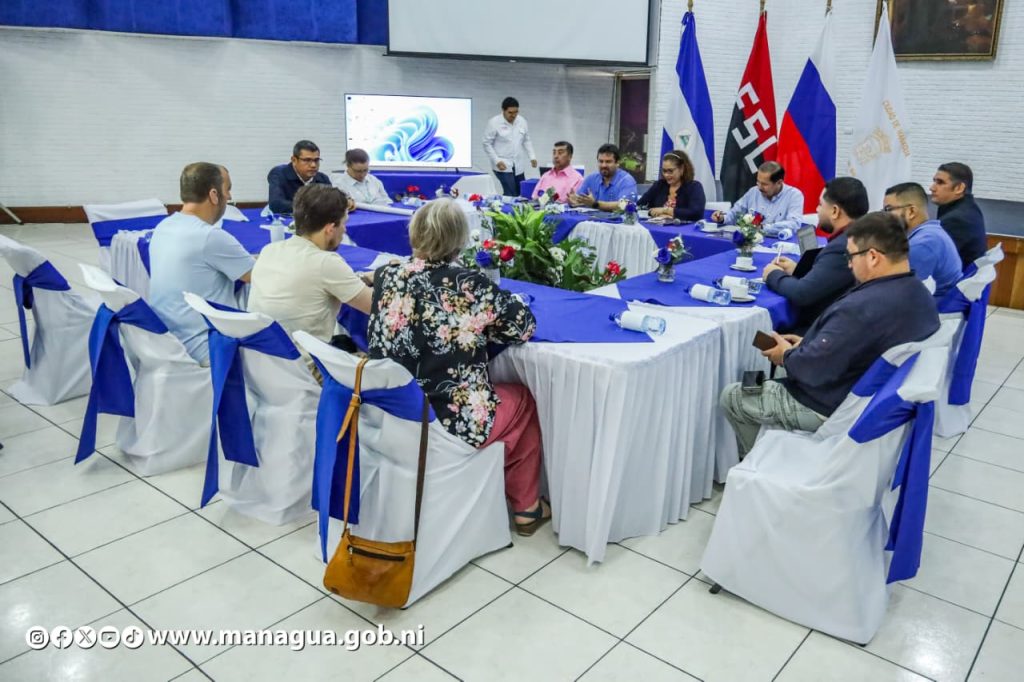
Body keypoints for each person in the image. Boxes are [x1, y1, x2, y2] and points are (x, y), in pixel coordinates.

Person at [367, 199, 550, 535]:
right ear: (459, 240)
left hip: (391, 414)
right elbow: (522, 327)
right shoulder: (468, 283)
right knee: (522, 399)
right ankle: (527, 508)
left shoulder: (385, 276)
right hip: (449, 422)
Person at [721, 211, 940, 456]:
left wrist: (785, 355)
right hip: (868, 395)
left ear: (873, 257)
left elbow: (813, 369)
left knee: (733, 397)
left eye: (851, 256)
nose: (849, 265)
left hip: (830, 405)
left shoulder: (862, 306)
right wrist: (807, 343)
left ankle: (761, 463)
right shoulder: (921, 295)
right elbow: (854, 343)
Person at [248, 184, 372, 365]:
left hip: (264, 363)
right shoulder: (326, 262)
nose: (345, 230)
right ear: (330, 228)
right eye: (344, 223)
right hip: (308, 369)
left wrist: (365, 277)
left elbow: (312, 282)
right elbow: (377, 307)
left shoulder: (269, 250)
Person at [149, 162, 254, 364]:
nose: (229, 196)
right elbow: (261, 276)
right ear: (214, 195)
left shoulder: (163, 226)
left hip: (167, 339)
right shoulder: (209, 236)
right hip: (206, 345)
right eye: (227, 189)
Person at [762, 176, 868, 333]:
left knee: (758, 337)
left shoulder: (843, 246)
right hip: (844, 323)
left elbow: (802, 294)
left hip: (820, 331)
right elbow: (833, 279)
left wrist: (773, 274)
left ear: (835, 211)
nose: (817, 210)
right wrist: (798, 270)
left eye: (820, 204)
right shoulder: (864, 235)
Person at [883, 182, 962, 297]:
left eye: (888, 209)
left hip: (936, 305)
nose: (884, 216)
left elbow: (902, 294)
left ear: (911, 211)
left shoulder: (923, 245)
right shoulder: (931, 232)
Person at [712, 161, 804, 233]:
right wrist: (722, 218)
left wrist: (764, 227)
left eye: (764, 184)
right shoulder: (753, 192)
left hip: (779, 245)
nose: (759, 187)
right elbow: (735, 213)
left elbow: (794, 224)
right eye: (758, 182)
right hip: (751, 243)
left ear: (779, 183)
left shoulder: (794, 196)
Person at [930, 162, 987, 268]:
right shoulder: (968, 208)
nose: (932, 188)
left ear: (959, 188)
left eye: (940, 182)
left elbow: (933, 260)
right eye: (934, 181)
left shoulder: (957, 220)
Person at [482, 97, 537, 197]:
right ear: (503, 110)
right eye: (510, 112)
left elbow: (526, 140)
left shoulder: (522, 121)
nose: (513, 115)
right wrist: (496, 161)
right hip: (502, 164)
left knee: (522, 193)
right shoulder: (494, 123)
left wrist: (532, 157)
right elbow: (486, 143)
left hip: (518, 164)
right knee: (510, 193)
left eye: (516, 112)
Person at [638, 149, 706, 221]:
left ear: (682, 169)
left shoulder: (694, 187)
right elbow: (640, 205)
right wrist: (651, 212)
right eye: (664, 171)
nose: (666, 175)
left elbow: (696, 213)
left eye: (670, 171)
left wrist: (665, 210)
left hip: (684, 227)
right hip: (656, 225)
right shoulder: (659, 185)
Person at [267, 140, 332, 214]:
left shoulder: (323, 179)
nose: (313, 165)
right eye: (307, 160)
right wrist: (313, 208)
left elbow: (332, 204)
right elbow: (276, 204)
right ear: (294, 160)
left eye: (316, 160)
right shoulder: (279, 174)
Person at [568, 144, 638, 211]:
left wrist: (596, 204)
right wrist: (575, 201)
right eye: (601, 161)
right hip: (592, 218)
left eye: (608, 162)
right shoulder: (591, 179)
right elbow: (580, 199)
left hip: (617, 219)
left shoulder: (627, 181)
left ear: (617, 163)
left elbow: (626, 205)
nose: (603, 165)